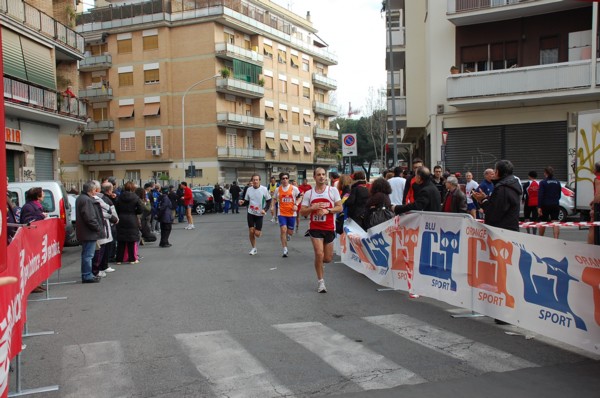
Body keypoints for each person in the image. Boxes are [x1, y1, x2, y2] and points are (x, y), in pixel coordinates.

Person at [300, 167, 342, 293]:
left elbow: (340, 207)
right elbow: (302, 212)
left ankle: (320, 263)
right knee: (319, 254)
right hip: (315, 228)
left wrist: (327, 210)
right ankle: (321, 282)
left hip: (329, 228)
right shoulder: (309, 193)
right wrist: (313, 208)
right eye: (319, 174)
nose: (322, 177)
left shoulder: (332, 191)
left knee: (327, 258)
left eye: (324, 174)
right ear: (314, 177)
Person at [472, 160, 522, 232]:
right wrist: (486, 198)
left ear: (497, 172)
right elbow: (499, 204)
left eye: (494, 171)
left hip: (502, 232)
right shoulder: (511, 184)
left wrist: (483, 200)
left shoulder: (503, 188)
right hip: (509, 229)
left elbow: (493, 213)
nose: (493, 174)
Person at [76, 181, 106, 283]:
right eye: (94, 190)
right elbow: (90, 218)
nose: (95, 192)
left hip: (86, 231)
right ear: (90, 190)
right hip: (88, 232)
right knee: (88, 255)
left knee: (87, 254)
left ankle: (87, 274)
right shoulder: (86, 200)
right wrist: (98, 228)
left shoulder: (81, 198)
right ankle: (87, 275)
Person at [271, 172, 302, 257]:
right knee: (283, 230)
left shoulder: (294, 188)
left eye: (286, 178)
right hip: (282, 213)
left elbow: (300, 197)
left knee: (290, 232)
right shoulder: (278, 189)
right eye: (283, 178)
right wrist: (272, 207)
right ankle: (285, 249)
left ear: (288, 179)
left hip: (292, 213)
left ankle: (289, 235)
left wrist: (296, 204)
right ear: (280, 180)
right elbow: (274, 199)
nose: (284, 180)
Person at [239, 174, 272, 255]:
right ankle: (254, 248)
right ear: (252, 181)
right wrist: (242, 202)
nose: (255, 181)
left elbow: (269, 200)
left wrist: (265, 209)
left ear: (259, 181)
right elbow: (246, 201)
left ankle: (258, 231)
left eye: (257, 180)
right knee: (251, 231)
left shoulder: (264, 189)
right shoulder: (249, 189)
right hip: (251, 212)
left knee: (257, 234)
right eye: (254, 180)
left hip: (260, 214)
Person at [115, 182, 143, 264]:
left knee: (121, 239)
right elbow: (140, 209)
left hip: (121, 218)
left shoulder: (120, 197)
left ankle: (119, 259)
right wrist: (135, 212)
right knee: (131, 238)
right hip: (132, 218)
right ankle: (132, 259)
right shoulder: (135, 197)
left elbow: (116, 208)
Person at [537, 166, 562, 239]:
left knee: (543, 222)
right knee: (555, 221)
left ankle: (541, 238)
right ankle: (556, 238)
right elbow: (559, 194)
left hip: (545, 204)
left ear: (545, 173)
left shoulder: (543, 182)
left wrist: (539, 206)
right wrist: (556, 200)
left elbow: (540, 195)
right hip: (555, 204)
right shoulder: (557, 182)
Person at [522, 170, 539, 234]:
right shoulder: (538, 183)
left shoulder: (527, 184)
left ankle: (528, 233)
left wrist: (523, 199)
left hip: (528, 202)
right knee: (535, 219)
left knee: (527, 217)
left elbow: (524, 193)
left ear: (529, 176)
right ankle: (534, 233)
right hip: (536, 203)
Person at [588, 161, 600, 245]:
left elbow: (598, 194)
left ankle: (591, 248)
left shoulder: (598, 179)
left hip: (599, 206)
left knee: (592, 227)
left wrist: (594, 207)